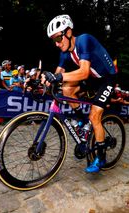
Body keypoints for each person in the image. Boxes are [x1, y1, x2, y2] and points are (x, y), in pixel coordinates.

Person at [41, 14, 118, 173]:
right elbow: (58, 73)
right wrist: (45, 81)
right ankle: (82, 121)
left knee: (95, 116)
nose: (56, 44)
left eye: (57, 39)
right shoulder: (64, 52)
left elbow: (83, 72)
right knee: (67, 89)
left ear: (68, 32)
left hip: (107, 78)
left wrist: (58, 77)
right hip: (92, 78)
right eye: (53, 40)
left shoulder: (84, 40)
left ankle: (101, 157)